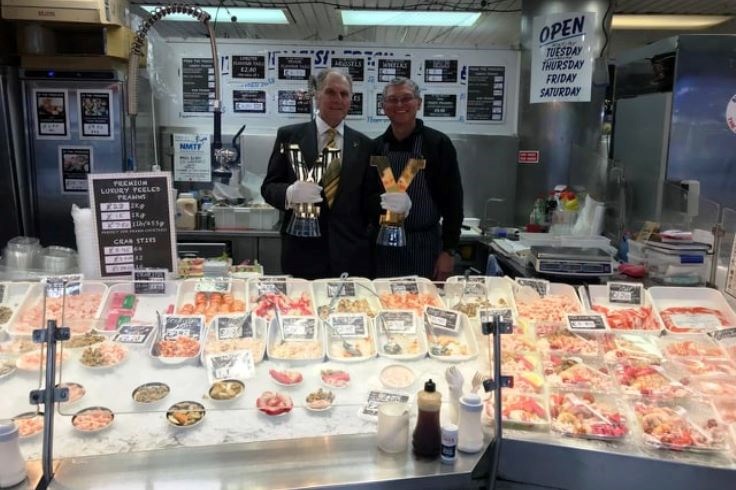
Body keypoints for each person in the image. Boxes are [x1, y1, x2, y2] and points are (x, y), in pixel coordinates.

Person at [261, 68, 379, 279]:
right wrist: (290, 193)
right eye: (330, 92)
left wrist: (392, 206)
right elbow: (269, 187)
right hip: (302, 254)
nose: (338, 99)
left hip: (352, 257)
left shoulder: (365, 145)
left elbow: (370, 201)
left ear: (351, 99)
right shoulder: (289, 136)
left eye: (344, 94)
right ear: (316, 94)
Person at [373, 77, 464, 281]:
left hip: (424, 248)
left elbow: (453, 202)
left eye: (406, 98)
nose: (399, 105)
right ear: (383, 106)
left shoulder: (438, 144)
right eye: (392, 99)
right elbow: (365, 200)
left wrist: (448, 251)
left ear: (419, 103)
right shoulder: (375, 148)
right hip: (382, 250)